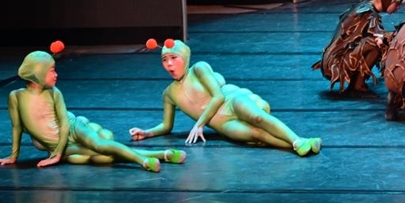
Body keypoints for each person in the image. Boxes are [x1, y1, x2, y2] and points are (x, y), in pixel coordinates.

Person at [0, 49, 185, 172]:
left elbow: (65, 122)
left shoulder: (54, 93)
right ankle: (163, 154)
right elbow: (17, 127)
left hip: (73, 129)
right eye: (51, 70)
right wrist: (13, 156)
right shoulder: (16, 97)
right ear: (38, 73)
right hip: (58, 145)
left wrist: (58, 154)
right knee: (103, 155)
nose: (56, 74)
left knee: (100, 145)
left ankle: (142, 161)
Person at [129, 40, 321, 156]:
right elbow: (166, 126)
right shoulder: (169, 93)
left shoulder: (199, 69)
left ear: (185, 58)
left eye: (174, 58)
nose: (169, 64)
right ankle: (304, 144)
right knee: (257, 135)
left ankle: (296, 140)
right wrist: (147, 132)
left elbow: (218, 96)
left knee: (258, 118)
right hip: (222, 124)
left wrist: (199, 124)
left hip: (230, 102)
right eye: (165, 60)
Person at [312, 0, 400, 92]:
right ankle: (358, 85)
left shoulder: (365, 7)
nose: (398, 7)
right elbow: (379, 38)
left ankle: (357, 81)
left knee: (376, 40)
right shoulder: (368, 13)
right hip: (334, 65)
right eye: (397, 3)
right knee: (374, 42)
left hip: (334, 60)